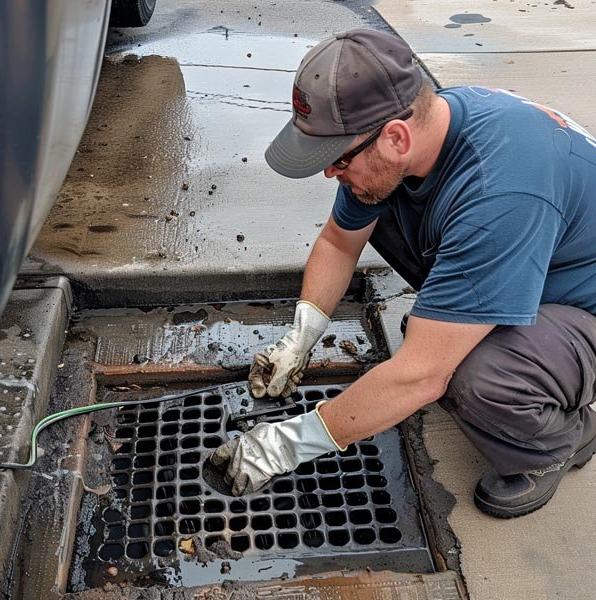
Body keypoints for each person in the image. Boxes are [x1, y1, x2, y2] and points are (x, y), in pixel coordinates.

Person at [211, 28, 596, 518]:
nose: (330, 173)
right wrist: (300, 337)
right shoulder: (418, 133)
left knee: (468, 375)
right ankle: (481, 331)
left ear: (394, 136)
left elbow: (421, 378)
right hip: (534, 266)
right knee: (379, 204)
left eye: (338, 159)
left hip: (582, 305)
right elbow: (337, 240)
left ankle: (559, 444)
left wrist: (286, 445)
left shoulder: (500, 194)